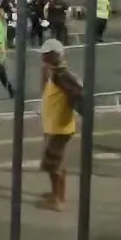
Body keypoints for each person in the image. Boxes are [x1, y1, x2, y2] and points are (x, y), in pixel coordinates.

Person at [37, 38, 84, 211]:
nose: (42, 58)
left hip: (58, 128)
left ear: (54, 56)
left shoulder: (61, 75)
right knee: (58, 162)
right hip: (55, 126)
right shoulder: (54, 73)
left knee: (52, 165)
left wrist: (83, 110)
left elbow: (78, 93)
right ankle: (58, 195)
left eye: (45, 55)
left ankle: (55, 199)